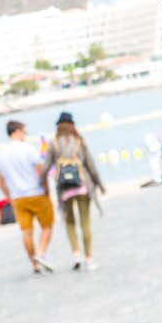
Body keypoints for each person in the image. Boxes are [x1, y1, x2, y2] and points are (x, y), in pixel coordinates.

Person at [0, 119, 55, 274]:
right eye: (24, 131)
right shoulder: (27, 149)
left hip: (17, 198)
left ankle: (34, 265)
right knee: (47, 226)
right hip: (36, 193)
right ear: (17, 131)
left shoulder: (2, 154)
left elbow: (0, 180)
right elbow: (41, 169)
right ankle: (40, 253)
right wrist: (46, 187)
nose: (25, 135)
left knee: (26, 232)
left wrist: (8, 195)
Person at [48, 112, 106, 271]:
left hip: (64, 189)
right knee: (85, 222)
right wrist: (99, 184)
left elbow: (47, 167)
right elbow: (91, 165)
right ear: (72, 125)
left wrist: (43, 187)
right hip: (82, 186)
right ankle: (88, 258)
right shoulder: (79, 141)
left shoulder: (53, 144)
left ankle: (76, 253)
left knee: (69, 222)